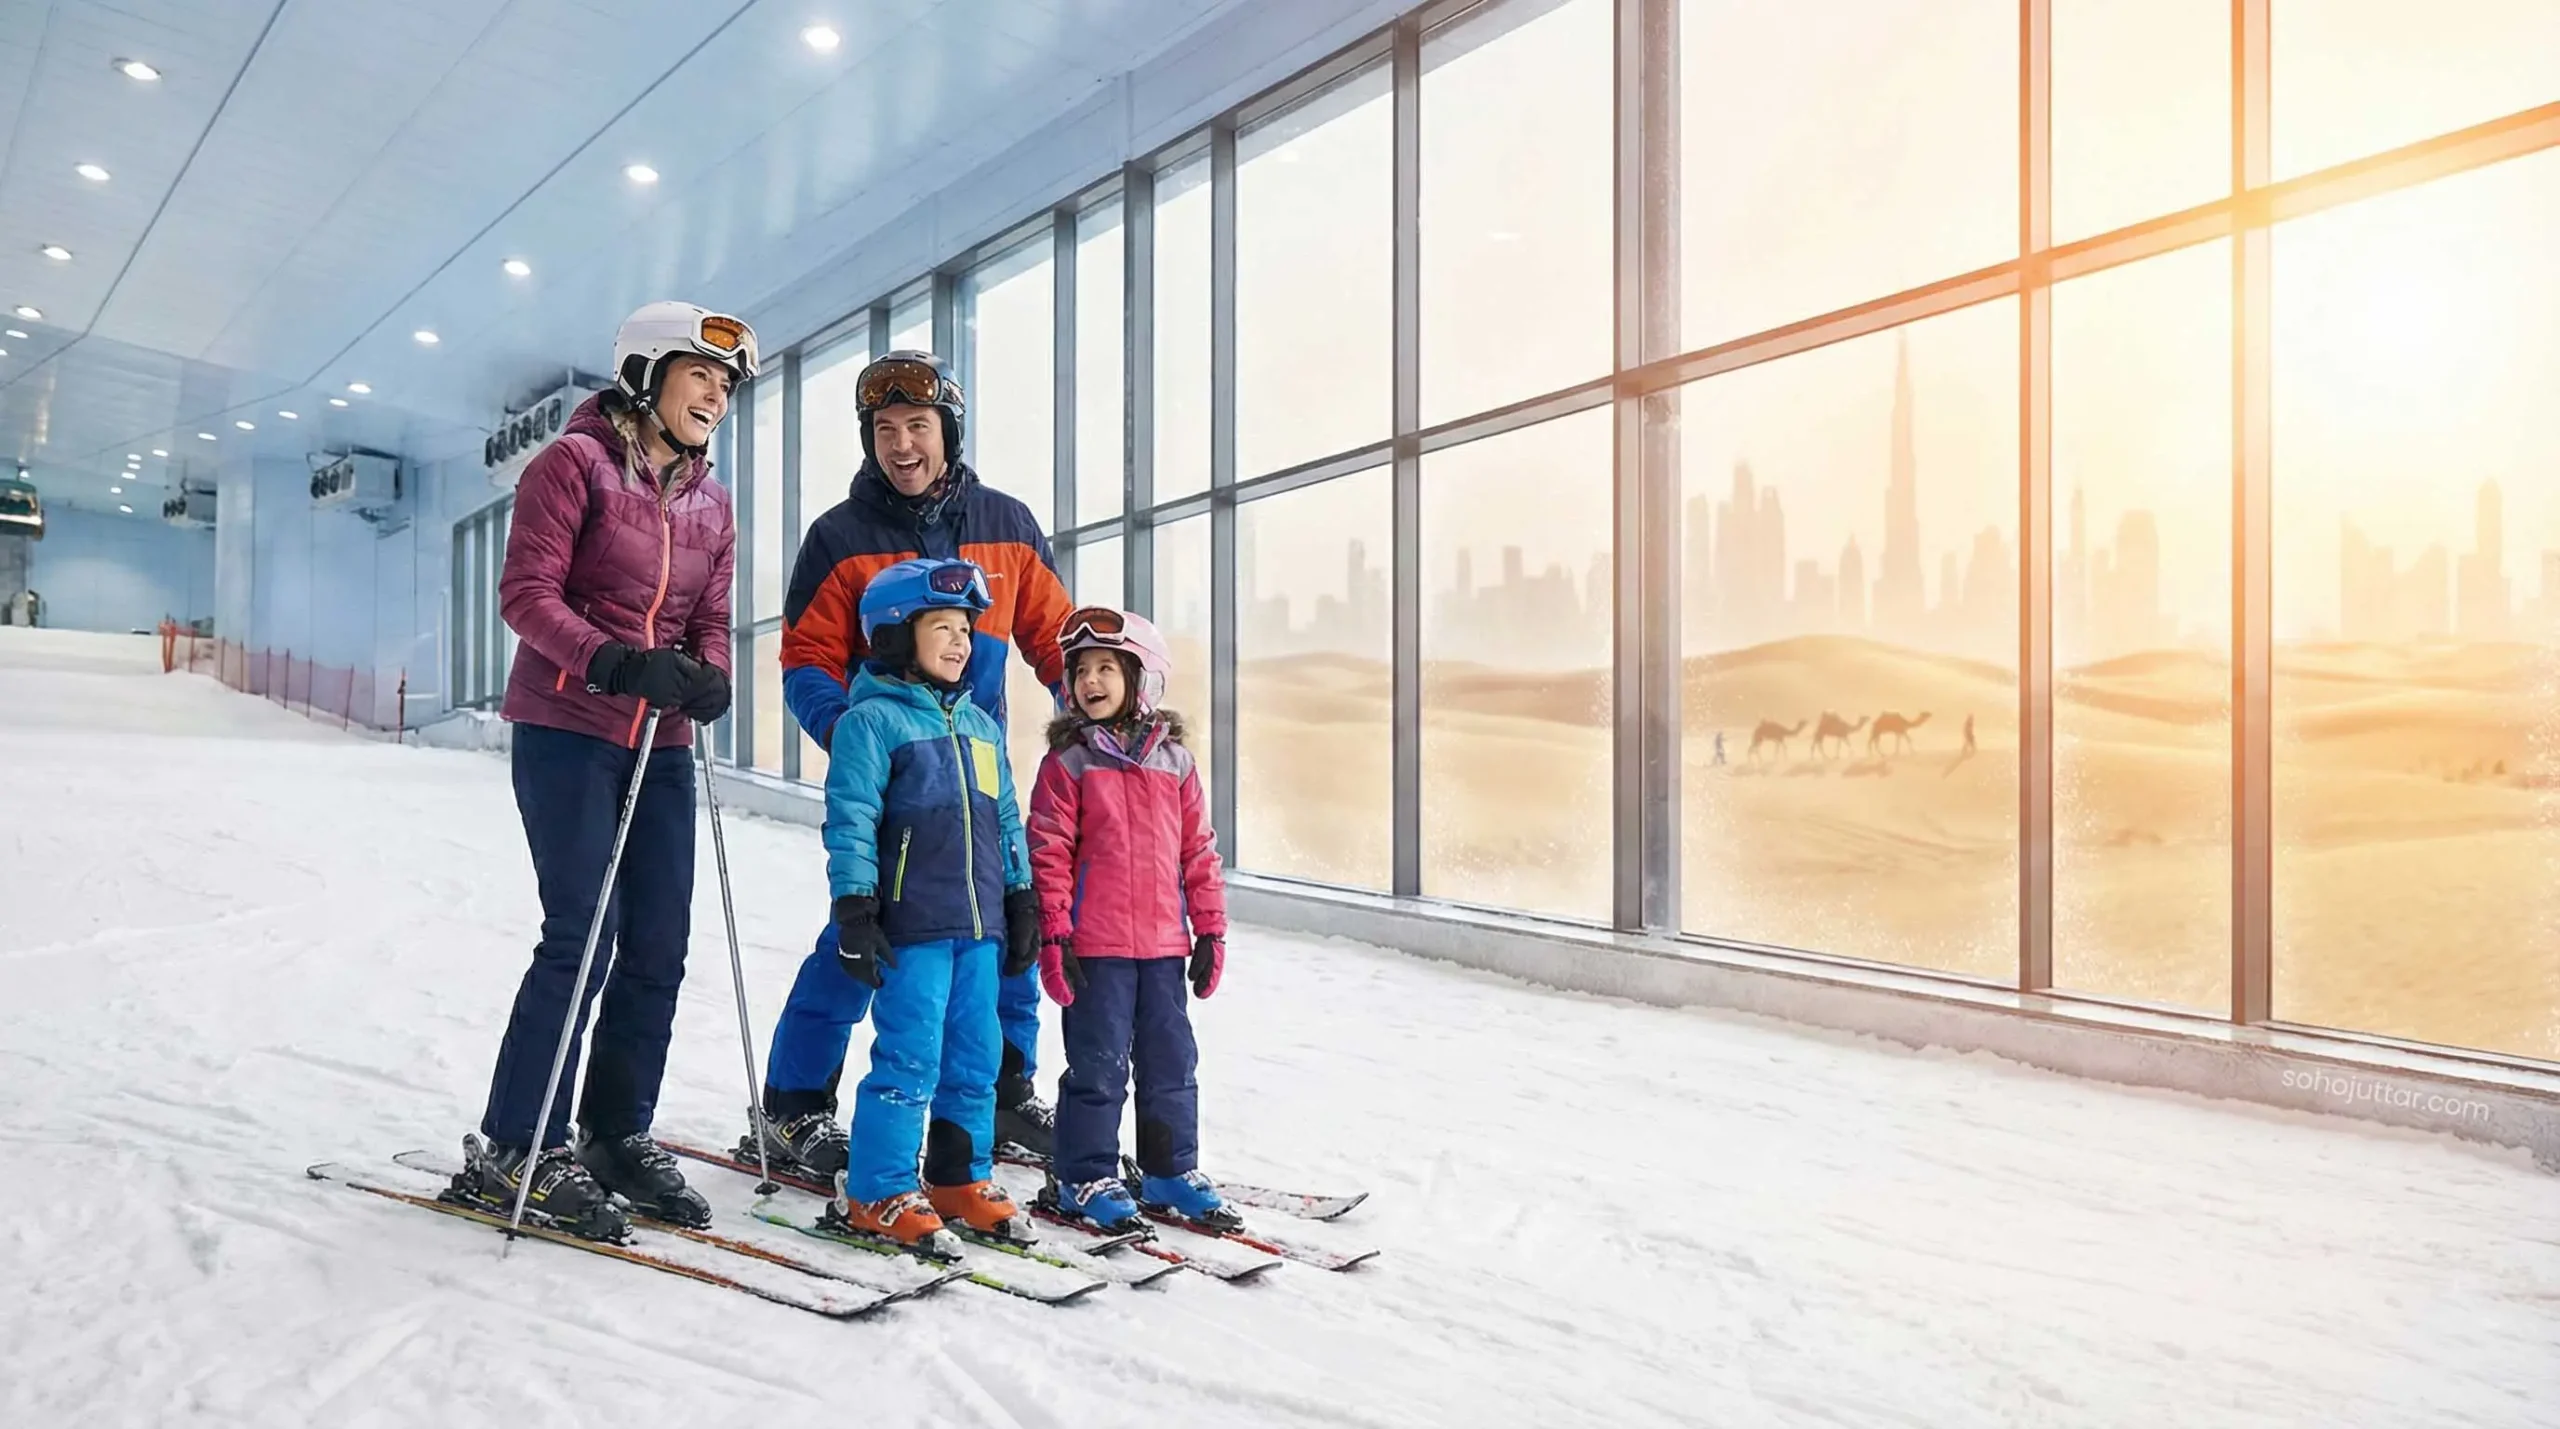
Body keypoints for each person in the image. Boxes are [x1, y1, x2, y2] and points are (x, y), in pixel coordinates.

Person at [455, 301, 754, 1240]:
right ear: (644, 374)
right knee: (582, 935)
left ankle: (615, 1132)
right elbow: (526, 594)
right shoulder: (571, 465)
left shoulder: (712, 502)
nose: (715, 395)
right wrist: (614, 663)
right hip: (569, 726)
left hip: (659, 742)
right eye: (699, 374)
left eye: (726, 384)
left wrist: (710, 675)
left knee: (659, 943)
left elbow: (710, 617)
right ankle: (518, 1143)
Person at [754, 349, 1073, 1177]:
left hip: (982, 775)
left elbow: (1057, 641)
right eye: (885, 429)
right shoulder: (839, 538)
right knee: (862, 942)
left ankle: (1001, 1094)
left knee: (1004, 938)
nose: (902, 444)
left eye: (918, 426)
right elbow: (806, 662)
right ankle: (793, 1105)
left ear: (948, 432)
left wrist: (1093, 724)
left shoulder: (1008, 525)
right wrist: (868, 741)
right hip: (901, 792)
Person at [811, 556, 1041, 1246]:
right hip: (913, 925)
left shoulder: (982, 727)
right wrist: (855, 908)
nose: (960, 642)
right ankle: (878, 1188)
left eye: (965, 629)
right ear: (893, 634)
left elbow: (1005, 818)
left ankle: (959, 1177)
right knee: (910, 1056)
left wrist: (1020, 895)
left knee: (976, 1055)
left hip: (980, 923)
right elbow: (851, 819)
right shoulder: (871, 722)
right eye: (942, 627)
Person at [1026, 606, 1240, 1234]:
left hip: (1165, 948)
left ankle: (1170, 1170)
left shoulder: (1176, 763)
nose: (1090, 681)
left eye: (1106, 668)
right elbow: (1048, 853)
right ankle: (1083, 1175)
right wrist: (1055, 936)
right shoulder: (1069, 763)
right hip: (1097, 948)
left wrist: (1210, 929)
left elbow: (1198, 851)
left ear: (1141, 678)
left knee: (1171, 1063)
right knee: (1098, 1068)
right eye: (1081, 670)